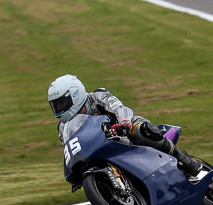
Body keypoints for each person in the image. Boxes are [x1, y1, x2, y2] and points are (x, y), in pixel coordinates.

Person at [47, 73, 201, 177]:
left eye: (62, 103)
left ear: (75, 94)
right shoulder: (63, 127)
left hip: (124, 131)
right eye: (56, 106)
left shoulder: (98, 96)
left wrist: (124, 124)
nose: (59, 109)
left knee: (140, 130)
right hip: (100, 148)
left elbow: (120, 108)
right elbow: (71, 149)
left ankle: (185, 161)